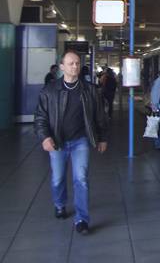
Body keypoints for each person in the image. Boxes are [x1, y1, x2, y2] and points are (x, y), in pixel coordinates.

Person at [34, 50, 108, 235]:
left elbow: (100, 117)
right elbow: (40, 117)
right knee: (57, 178)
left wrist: (102, 138)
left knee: (81, 179)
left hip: (80, 141)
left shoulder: (90, 90)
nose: (74, 66)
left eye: (77, 63)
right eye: (70, 63)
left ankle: (82, 219)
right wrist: (45, 137)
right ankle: (60, 204)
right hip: (58, 142)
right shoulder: (49, 91)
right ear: (62, 67)